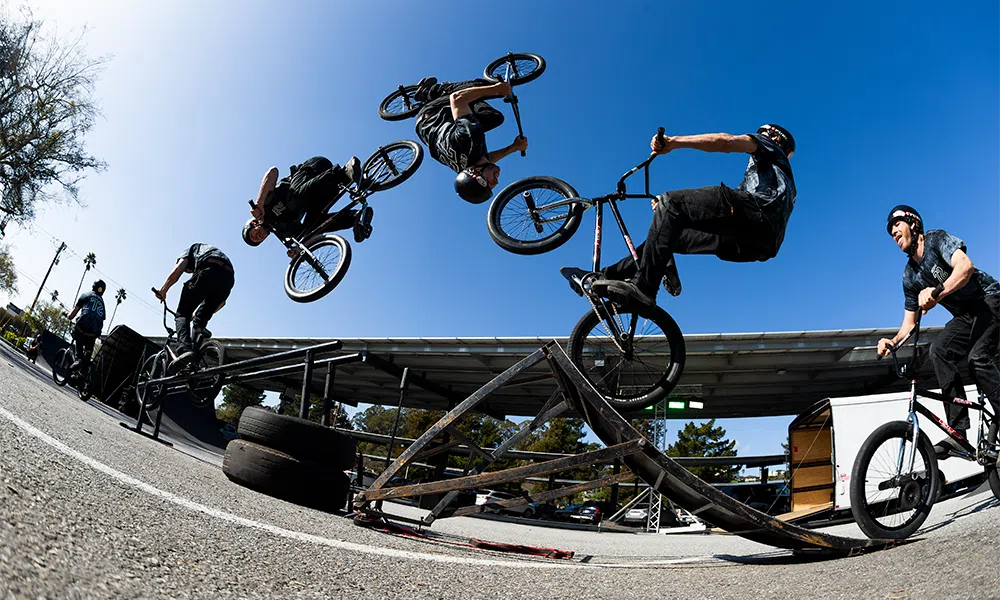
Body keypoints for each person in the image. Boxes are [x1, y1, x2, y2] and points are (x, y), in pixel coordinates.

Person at [561, 124, 796, 308]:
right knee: (671, 232)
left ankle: (643, 288)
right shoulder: (779, 181)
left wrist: (673, 142)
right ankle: (603, 278)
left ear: (774, 137)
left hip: (755, 215)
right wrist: (669, 216)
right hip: (758, 243)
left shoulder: (769, 145)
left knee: (671, 201)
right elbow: (720, 211)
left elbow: (725, 141)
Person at [877, 206, 1000, 458]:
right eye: (890, 231)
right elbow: (909, 325)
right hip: (966, 316)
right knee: (939, 350)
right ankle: (958, 431)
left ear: (913, 224)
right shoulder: (910, 276)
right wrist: (893, 341)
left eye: (897, 225)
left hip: (989, 299)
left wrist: (937, 293)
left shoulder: (936, 240)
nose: (893, 232)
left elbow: (965, 267)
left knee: (978, 358)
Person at [411, 76, 528, 204]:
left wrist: (496, 89)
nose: (496, 181)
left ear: (476, 171)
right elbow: (486, 160)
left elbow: (456, 98)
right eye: (491, 185)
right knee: (492, 118)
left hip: (434, 112)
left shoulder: (469, 139)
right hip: (426, 127)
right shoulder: (467, 165)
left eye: (487, 182)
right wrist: (513, 147)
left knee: (478, 86)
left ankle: (430, 91)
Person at [243, 155, 367, 248]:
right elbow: (308, 235)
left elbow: (273, 171)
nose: (258, 238)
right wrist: (299, 250)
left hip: (313, 169)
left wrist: (259, 203)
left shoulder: (264, 208)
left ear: (253, 224)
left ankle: (344, 172)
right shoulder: (285, 232)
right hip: (323, 190)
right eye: (258, 241)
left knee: (294, 200)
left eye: (254, 235)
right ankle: (356, 217)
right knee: (311, 227)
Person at [153, 244, 235, 373]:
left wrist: (163, 290)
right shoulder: (214, 251)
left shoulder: (191, 250)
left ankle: (185, 351)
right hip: (229, 278)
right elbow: (221, 303)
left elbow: (177, 270)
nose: (190, 272)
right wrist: (199, 315)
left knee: (182, 314)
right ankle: (193, 359)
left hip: (209, 268)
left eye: (189, 271)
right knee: (199, 322)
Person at [64, 280, 106, 374]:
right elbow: (101, 319)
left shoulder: (86, 295)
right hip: (94, 333)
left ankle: (78, 359)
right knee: (88, 352)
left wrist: (66, 314)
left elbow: (71, 316)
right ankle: (85, 373)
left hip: (82, 328)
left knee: (79, 336)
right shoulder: (102, 303)